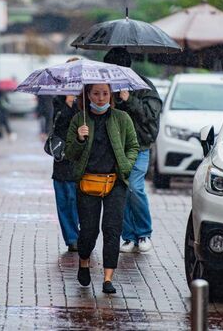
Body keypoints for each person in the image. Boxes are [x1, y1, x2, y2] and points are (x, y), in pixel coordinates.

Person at [65, 83, 139, 294]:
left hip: (115, 182)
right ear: (88, 94)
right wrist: (79, 138)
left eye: (105, 93)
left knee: (112, 228)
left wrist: (126, 165)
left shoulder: (122, 118)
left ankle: (108, 278)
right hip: (88, 182)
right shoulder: (79, 119)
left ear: (111, 95)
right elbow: (70, 153)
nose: (100, 98)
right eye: (96, 93)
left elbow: (133, 146)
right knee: (89, 231)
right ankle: (84, 261)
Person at [103, 48, 162, 254]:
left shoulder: (143, 85)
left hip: (140, 146)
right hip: (115, 147)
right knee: (121, 191)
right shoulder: (107, 87)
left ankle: (144, 233)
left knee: (134, 188)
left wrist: (129, 99)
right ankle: (128, 236)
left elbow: (150, 115)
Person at [50, 58, 81, 252]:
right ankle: (71, 239)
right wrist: (68, 104)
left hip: (81, 158)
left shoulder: (90, 99)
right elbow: (58, 126)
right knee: (63, 199)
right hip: (62, 158)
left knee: (78, 200)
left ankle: (84, 236)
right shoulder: (59, 100)